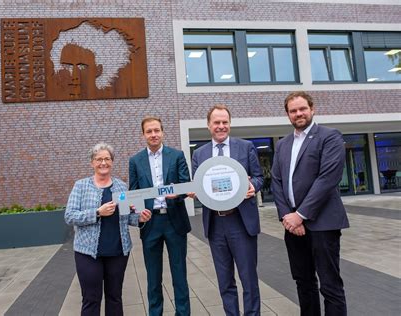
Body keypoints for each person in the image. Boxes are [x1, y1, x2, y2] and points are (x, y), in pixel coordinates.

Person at [271, 91, 349, 316]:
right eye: (293, 111)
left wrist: (301, 214)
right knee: (303, 282)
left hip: (323, 224)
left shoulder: (330, 136)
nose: (298, 113)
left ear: (312, 109)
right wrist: (288, 216)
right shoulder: (283, 144)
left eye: (302, 109)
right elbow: (276, 181)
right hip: (293, 227)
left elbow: (327, 179)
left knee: (330, 285)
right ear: (288, 115)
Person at [191, 104, 263, 316]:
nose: (221, 126)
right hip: (216, 224)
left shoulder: (246, 147)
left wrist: (253, 187)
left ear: (230, 124)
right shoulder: (199, 154)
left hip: (241, 222)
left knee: (249, 279)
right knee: (224, 281)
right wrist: (196, 192)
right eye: (217, 122)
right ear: (208, 125)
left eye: (225, 122)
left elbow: (259, 177)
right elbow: (198, 185)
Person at [65, 143, 152, 316]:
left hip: (118, 252)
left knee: (115, 297)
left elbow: (127, 217)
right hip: (88, 253)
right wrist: (97, 212)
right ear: (92, 163)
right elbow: (70, 216)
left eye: (107, 159)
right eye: (99, 159)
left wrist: (140, 219)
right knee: (91, 298)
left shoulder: (120, 186)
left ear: (112, 162)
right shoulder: (81, 186)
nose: (103, 162)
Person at [129, 116, 192, 316]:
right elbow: (134, 191)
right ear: (143, 135)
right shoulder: (135, 161)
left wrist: (178, 192)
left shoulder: (177, 155)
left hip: (175, 221)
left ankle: (183, 313)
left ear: (162, 132)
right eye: (149, 131)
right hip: (150, 222)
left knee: (179, 274)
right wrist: (138, 210)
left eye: (157, 130)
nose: (154, 134)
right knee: (153, 276)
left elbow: (186, 185)